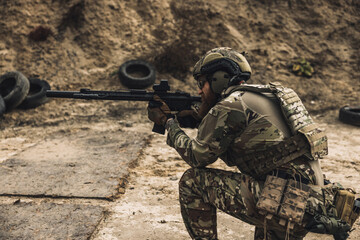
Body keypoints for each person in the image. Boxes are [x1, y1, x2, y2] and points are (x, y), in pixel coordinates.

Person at [147, 47, 357, 240]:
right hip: (307, 201)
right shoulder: (266, 95)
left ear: (220, 79)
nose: (200, 91)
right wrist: (194, 116)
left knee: (192, 182)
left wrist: (169, 123)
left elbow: (196, 156)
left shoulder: (231, 105)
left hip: (285, 201)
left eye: (202, 83)